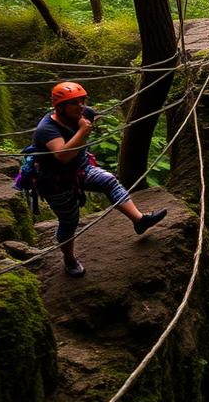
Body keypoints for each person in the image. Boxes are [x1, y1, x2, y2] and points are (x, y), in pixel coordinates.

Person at [32, 81, 167, 277]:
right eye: (73, 103)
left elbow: (92, 115)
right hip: (55, 182)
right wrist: (82, 131)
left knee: (109, 181)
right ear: (60, 107)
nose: (80, 106)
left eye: (81, 101)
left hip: (81, 169)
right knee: (69, 221)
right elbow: (63, 156)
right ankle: (69, 259)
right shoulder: (46, 129)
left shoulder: (82, 113)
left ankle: (139, 220)